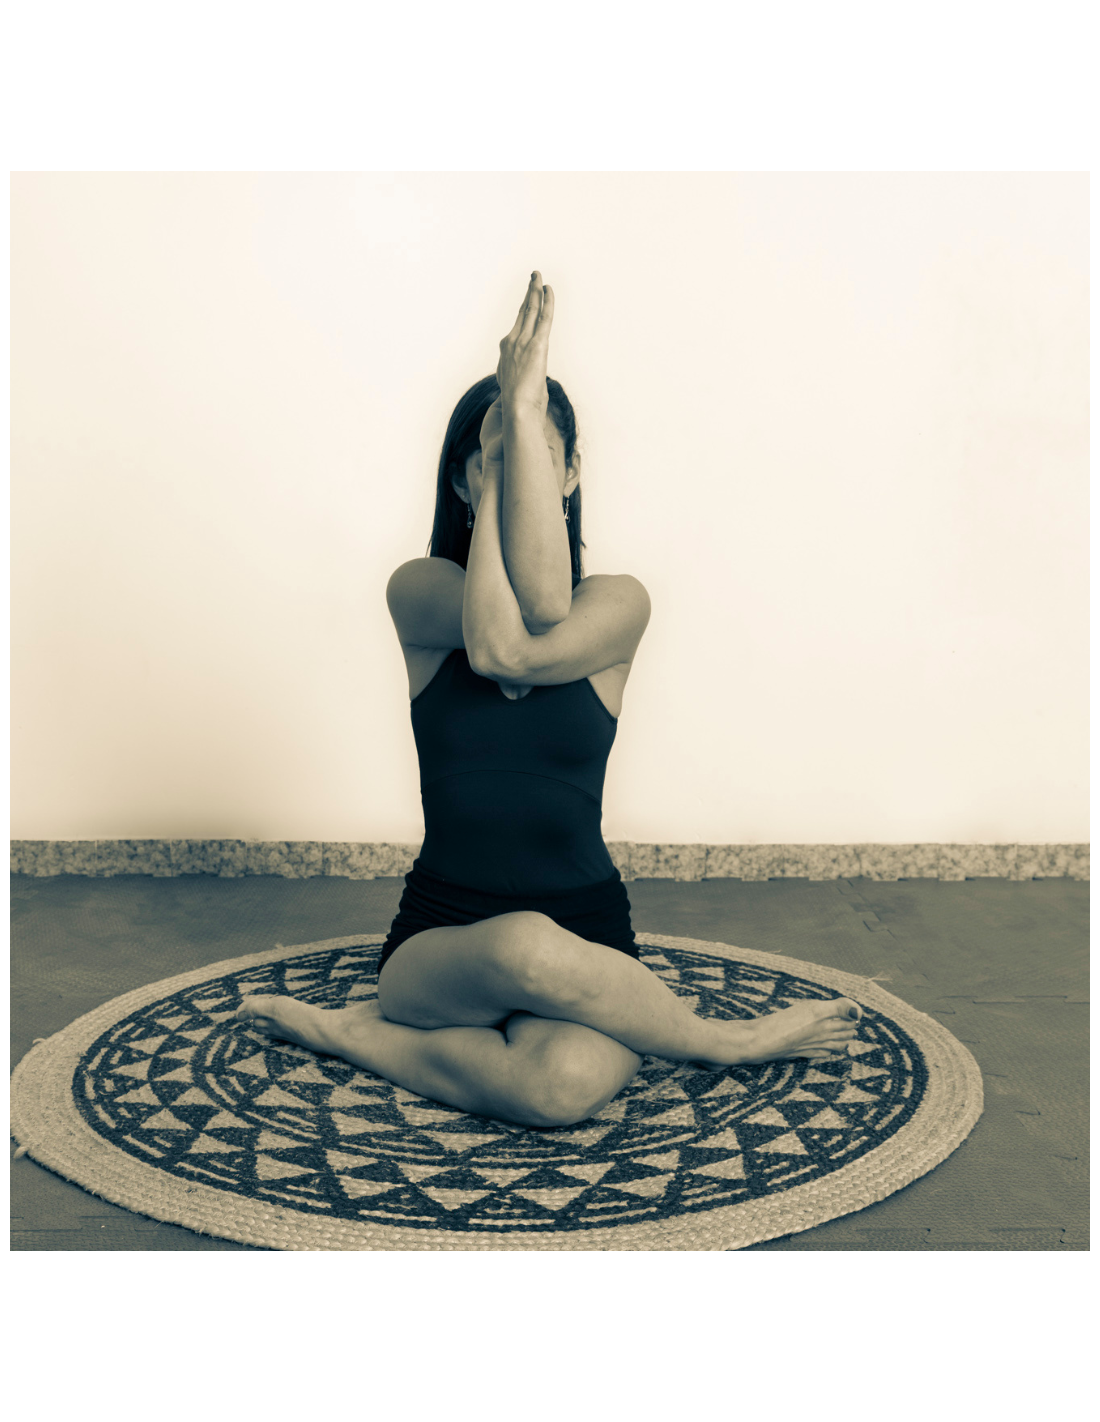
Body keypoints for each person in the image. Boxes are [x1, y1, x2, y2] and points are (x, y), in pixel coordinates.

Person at [237, 272, 861, 1127]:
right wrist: (506, 463)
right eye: (487, 458)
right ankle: (726, 1041)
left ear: (570, 473)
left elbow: (542, 616)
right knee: (524, 945)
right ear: (462, 481)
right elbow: (500, 647)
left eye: (540, 454)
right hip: (438, 945)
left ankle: (351, 1033)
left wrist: (521, 418)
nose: (513, 464)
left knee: (557, 1088)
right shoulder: (419, 591)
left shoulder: (621, 603)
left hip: (587, 939)